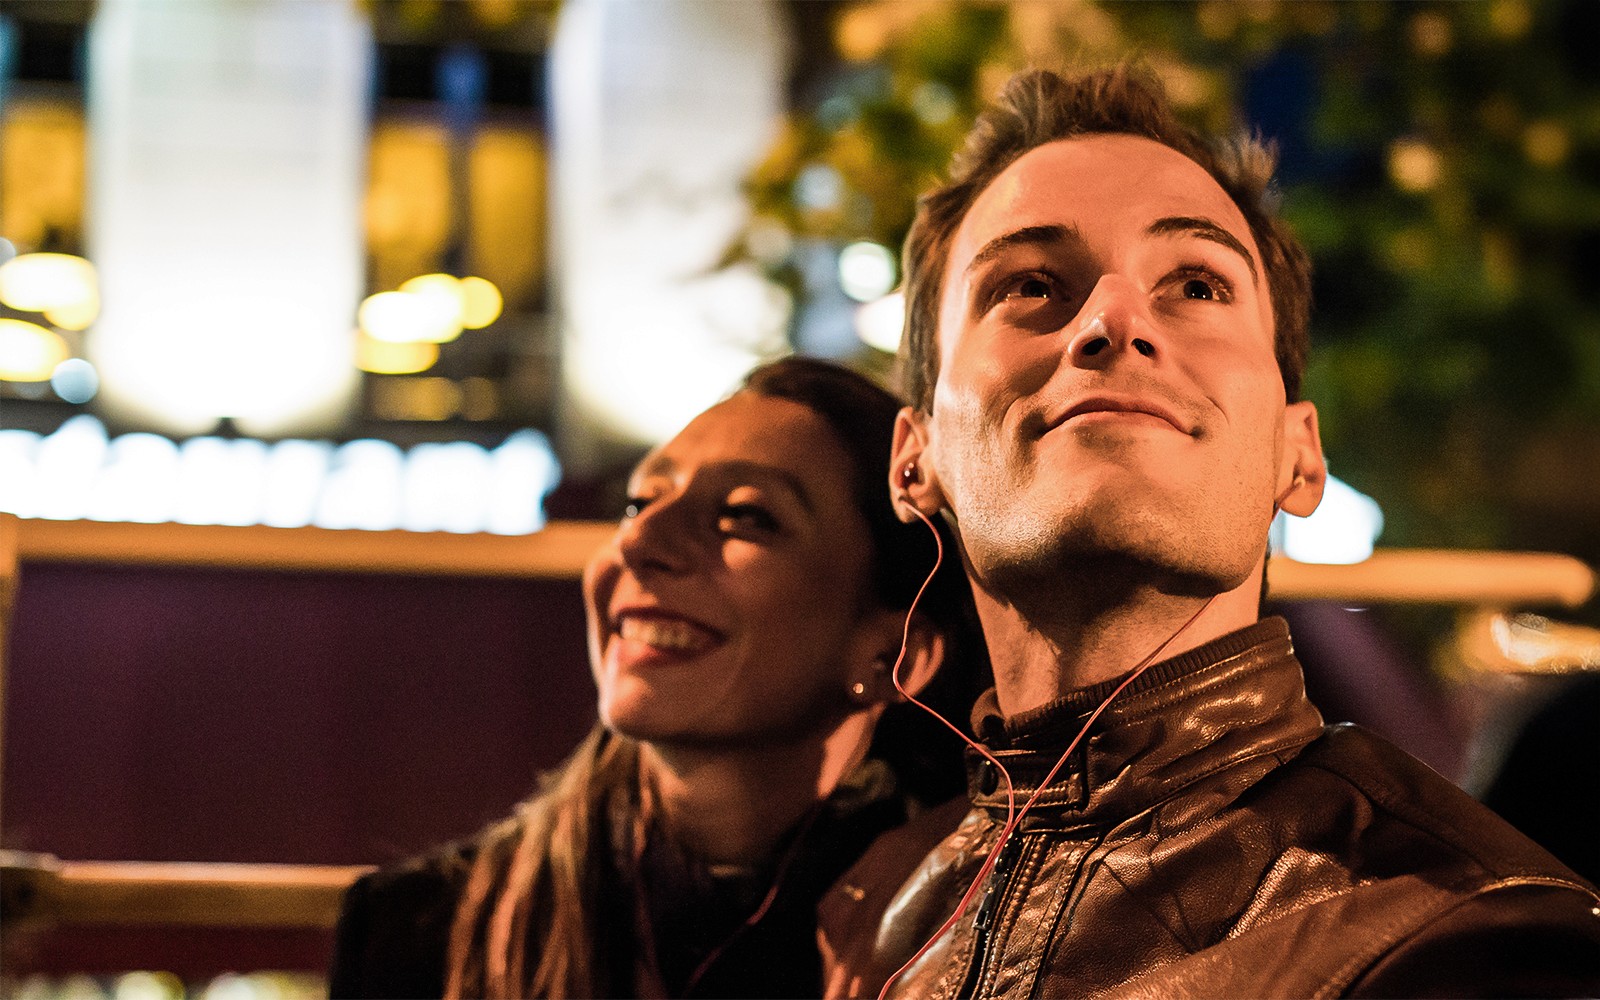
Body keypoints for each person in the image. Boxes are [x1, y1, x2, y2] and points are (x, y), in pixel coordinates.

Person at [821, 66, 1600, 999]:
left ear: (1296, 454)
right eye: (1030, 284)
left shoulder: (1462, 940)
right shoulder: (867, 923)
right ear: (917, 456)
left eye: (1195, 283)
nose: (1113, 318)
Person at [328, 357, 988, 999]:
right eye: (640, 501)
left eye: (745, 515)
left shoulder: (959, 935)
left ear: (899, 653)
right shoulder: (422, 931)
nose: (641, 541)